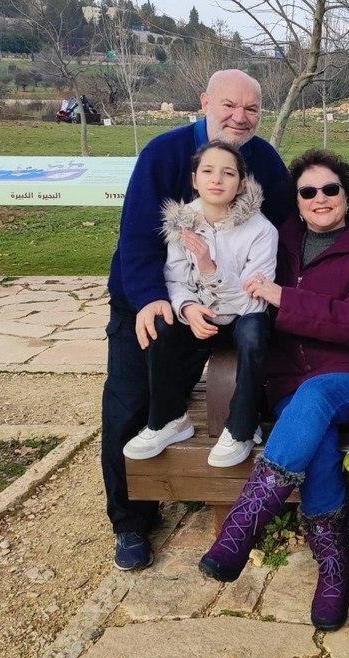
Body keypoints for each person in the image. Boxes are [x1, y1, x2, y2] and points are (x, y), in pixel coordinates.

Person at [102, 69, 294, 572]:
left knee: (262, 353)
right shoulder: (163, 155)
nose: (240, 117)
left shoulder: (263, 159)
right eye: (229, 105)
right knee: (129, 398)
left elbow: (287, 229)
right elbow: (137, 237)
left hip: (236, 297)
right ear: (205, 102)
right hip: (157, 293)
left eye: (252, 109)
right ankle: (130, 520)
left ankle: (246, 446)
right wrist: (151, 298)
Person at [198, 149, 349, 631]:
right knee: (319, 440)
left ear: (347, 196)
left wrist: (284, 297)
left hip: (347, 376)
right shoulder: (277, 240)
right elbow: (235, 286)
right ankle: (334, 567)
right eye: (308, 191)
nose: (320, 198)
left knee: (314, 399)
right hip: (287, 377)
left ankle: (244, 524)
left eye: (331, 189)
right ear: (298, 201)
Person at [121, 140, 277, 469]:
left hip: (241, 316)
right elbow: (175, 280)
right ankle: (169, 418)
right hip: (199, 315)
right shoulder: (183, 223)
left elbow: (254, 299)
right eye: (207, 171)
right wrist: (187, 308)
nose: (216, 179)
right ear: (195, 180)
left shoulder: (262, 230)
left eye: (228, 173)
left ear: (241, 183)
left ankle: (242, 426)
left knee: (254, 332)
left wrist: (209, 268)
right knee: (161, 322)